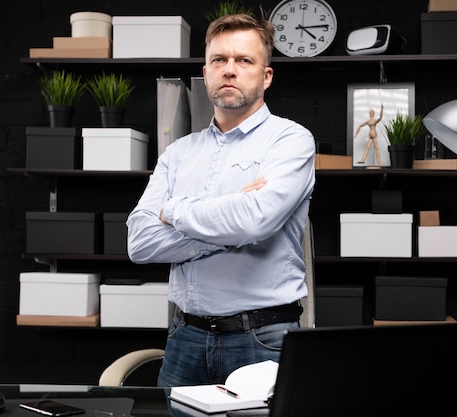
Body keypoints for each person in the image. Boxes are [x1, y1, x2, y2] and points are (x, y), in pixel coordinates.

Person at [126, 14, 316, 387]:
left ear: (266, 76)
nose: (229, 70)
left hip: (262, 339)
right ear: (207, 71)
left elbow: (254, 221)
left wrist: (174, 210)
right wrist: (230, 224)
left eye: (244, 61)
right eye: (219, 60)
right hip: (186, 337)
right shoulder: (178, 152)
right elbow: (140, 242)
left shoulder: (290, 141)